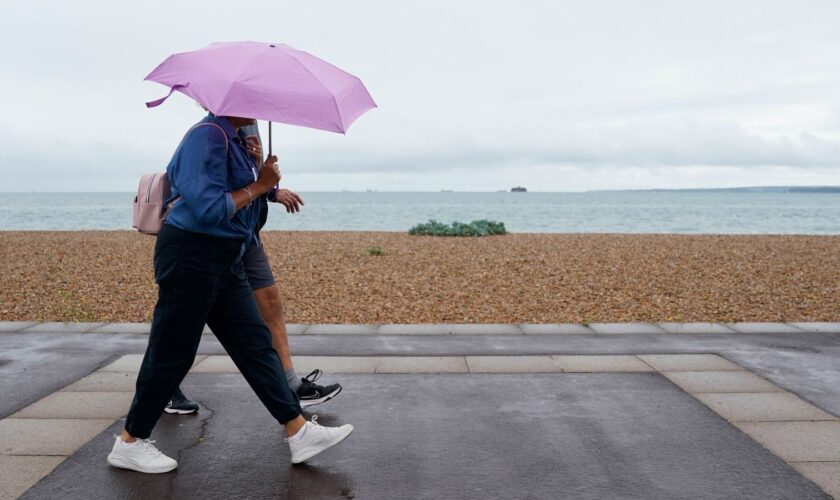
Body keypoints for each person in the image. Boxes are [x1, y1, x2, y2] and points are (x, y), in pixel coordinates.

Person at [107, 112, 352, 473]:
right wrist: (258, 184)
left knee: (255, 344)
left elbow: (239, 196)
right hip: (191, 254)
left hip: (226, 256)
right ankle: (130, 441)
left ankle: (298, 431)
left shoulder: (234, 139)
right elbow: (208, 208)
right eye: (251, 102)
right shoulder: (205, 136)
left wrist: (260, 173)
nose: (257, 110)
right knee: (173, 349)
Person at [166, 125, 341, 415]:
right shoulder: (207, 134)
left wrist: (266, 178)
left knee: (270, 302)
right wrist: (262, 184)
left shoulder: (247, 126)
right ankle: (158, 398)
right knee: (183, 323)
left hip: (246, 234)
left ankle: (292, 387)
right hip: (212, 238)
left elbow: (250, 181)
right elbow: (207, 194)